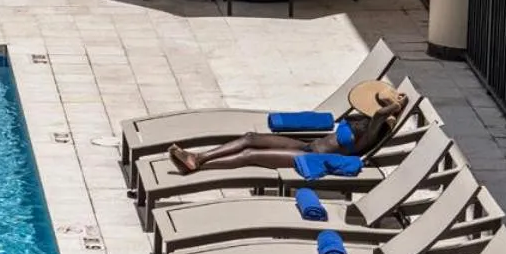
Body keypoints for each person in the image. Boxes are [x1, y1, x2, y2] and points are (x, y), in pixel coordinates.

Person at [166, 81, 405, 173]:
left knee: (250, 155)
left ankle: (198, 166)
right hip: (308, 145)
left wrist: (391, 107)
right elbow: (377, 114)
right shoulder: (364, 120)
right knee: (250, 137)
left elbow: (380, 116)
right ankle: (198, 157)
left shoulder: (374, 131)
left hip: (312, 158)